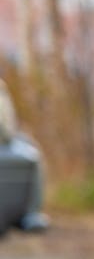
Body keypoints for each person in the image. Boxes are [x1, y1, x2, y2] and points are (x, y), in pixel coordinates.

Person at [0, 78, 49, 232]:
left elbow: (7, 128)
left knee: (33, 154)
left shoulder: (2, 91)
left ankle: (31, 212)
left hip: (6, 141)